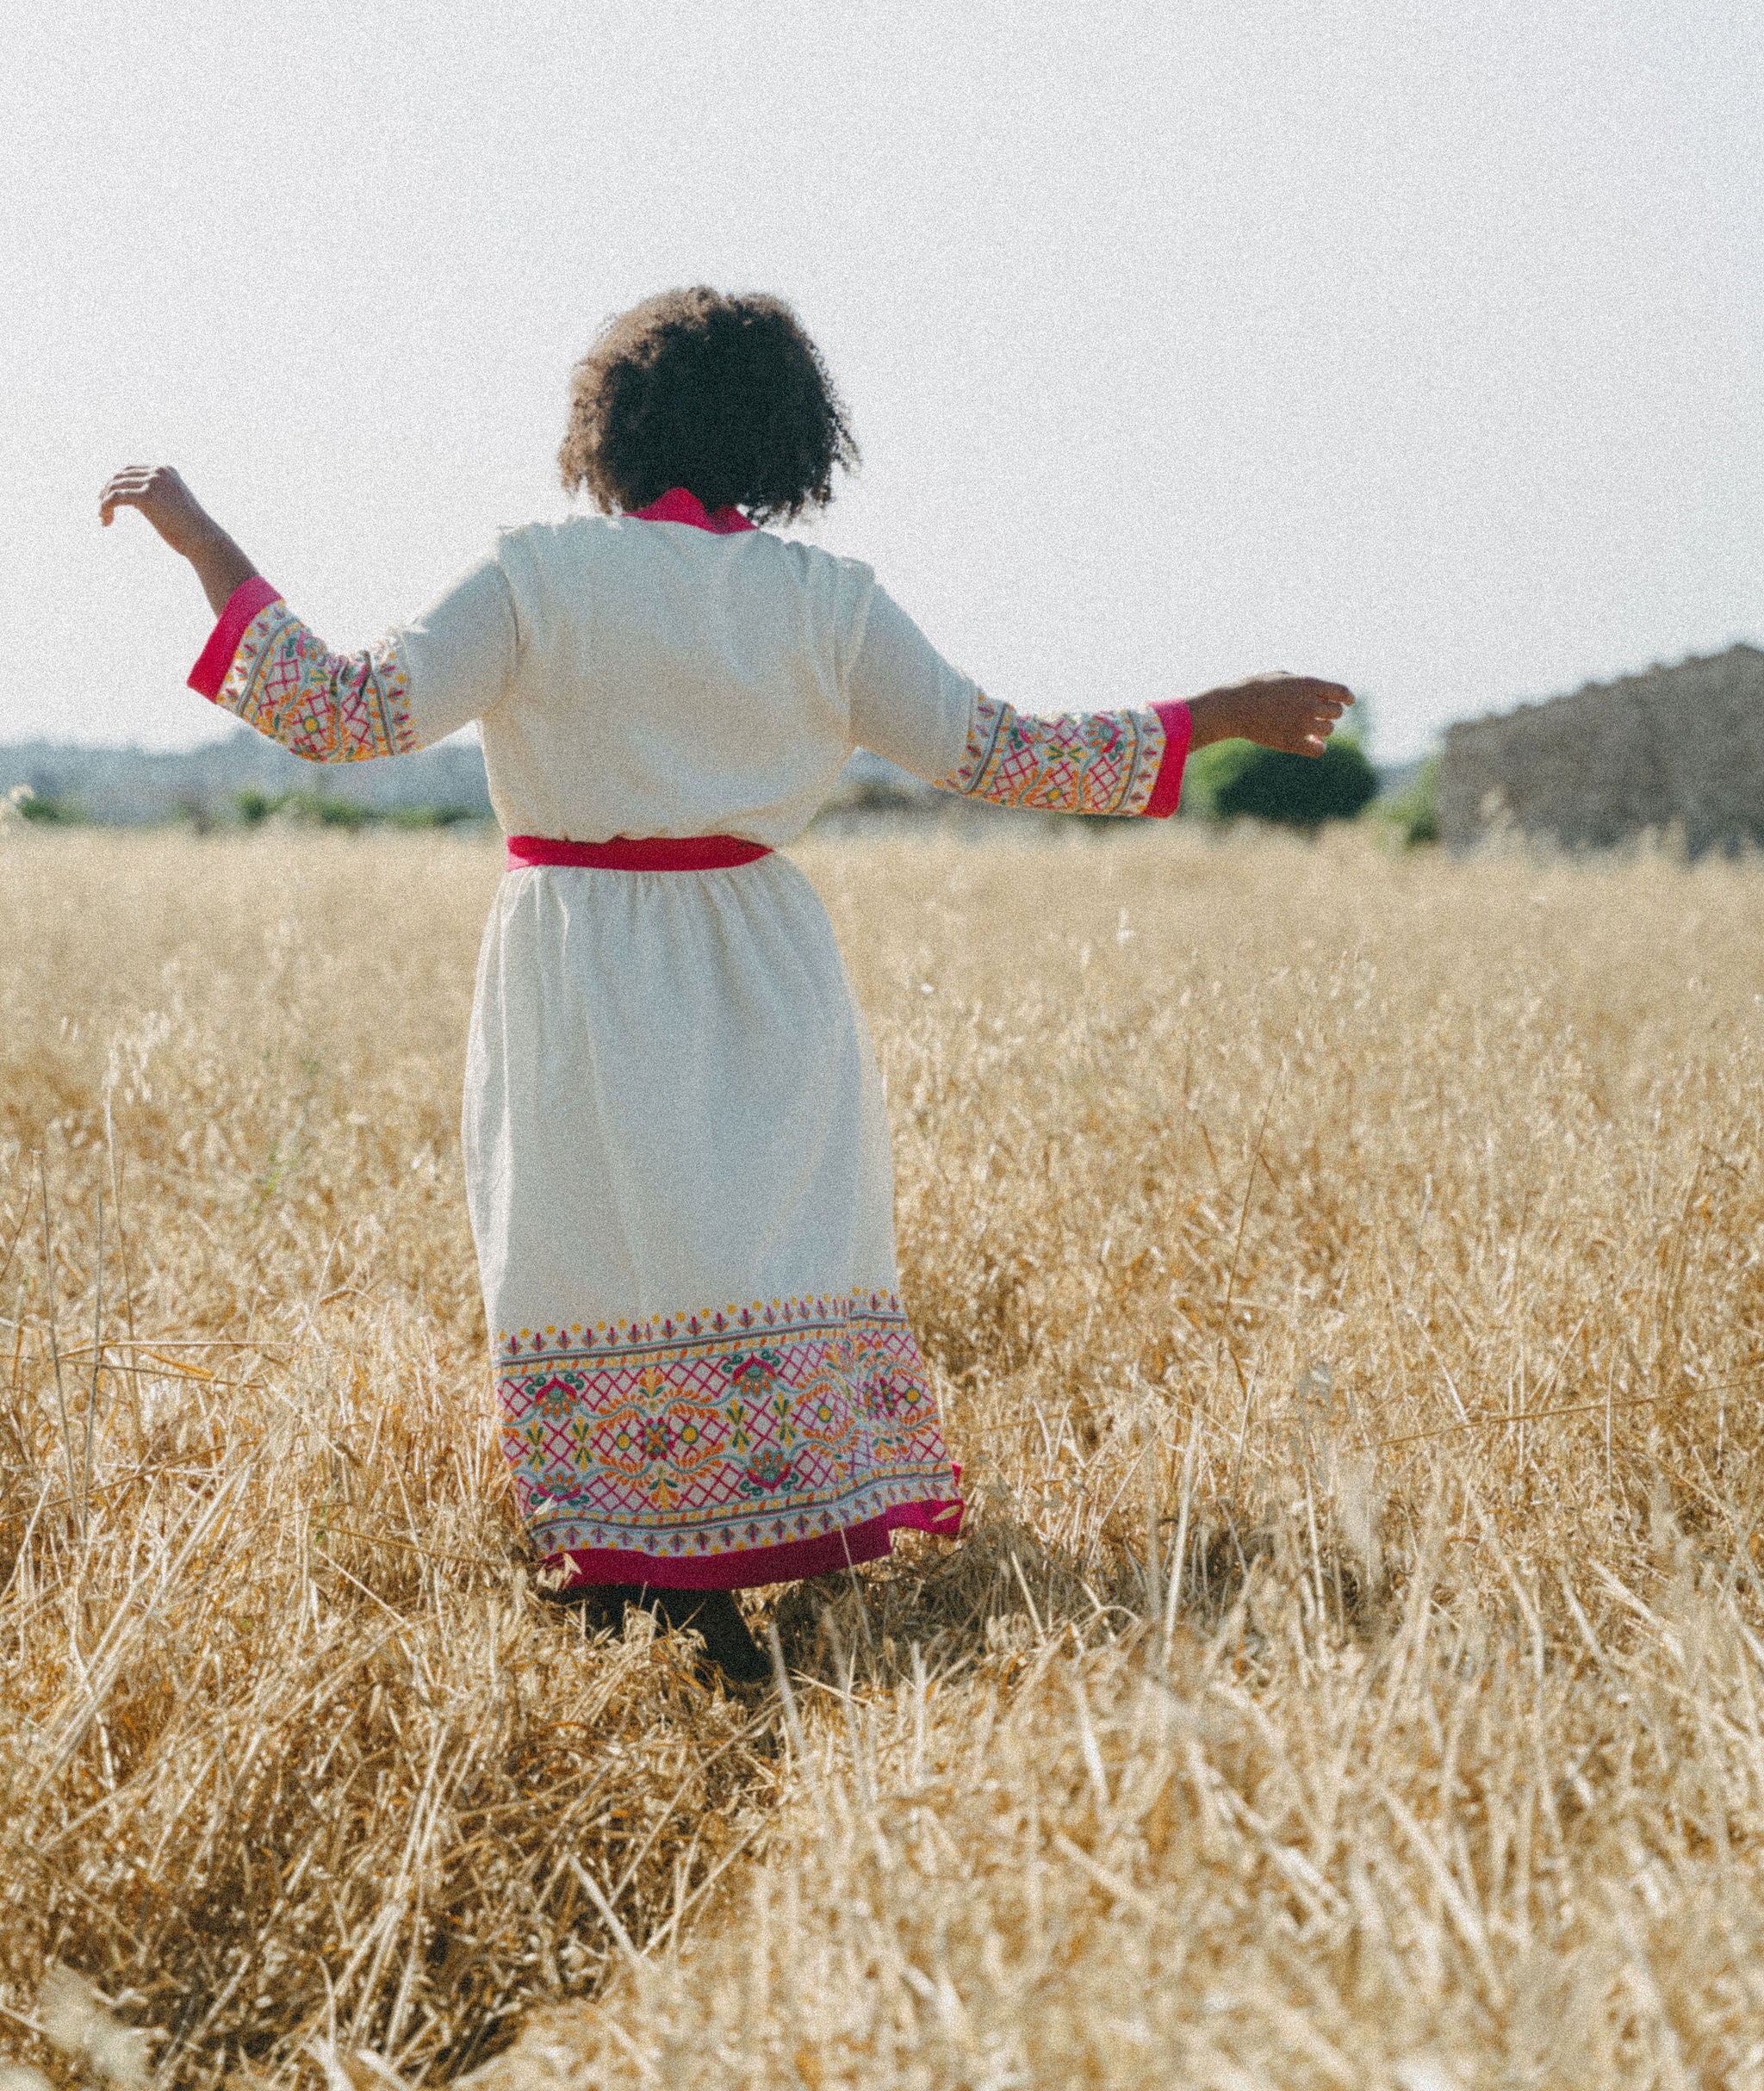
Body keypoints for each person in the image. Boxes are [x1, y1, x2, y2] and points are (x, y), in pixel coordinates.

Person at [102, 287, 1351, 1685]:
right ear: (785, 437)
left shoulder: (537, 576)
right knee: (758, 1245)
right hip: (761, 958)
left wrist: (206, 545)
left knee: (588, 1253)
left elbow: (343, 715)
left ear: (609, 428)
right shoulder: (829, 605)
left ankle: (639, 1571)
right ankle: (765, 1538)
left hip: (578, 954)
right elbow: (1004, 753)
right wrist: (1217, 715)